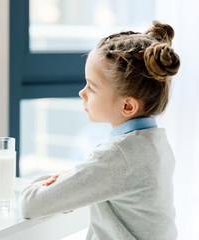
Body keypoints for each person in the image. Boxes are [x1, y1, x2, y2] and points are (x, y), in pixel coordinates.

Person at [19, 21, 181, 240]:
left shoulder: (119, 155)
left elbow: (31, 204)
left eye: (92, 88)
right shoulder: (156, 142)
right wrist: (72, 177)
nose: (81, 93)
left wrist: (54, 182)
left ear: (127, 106)